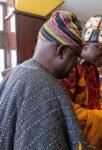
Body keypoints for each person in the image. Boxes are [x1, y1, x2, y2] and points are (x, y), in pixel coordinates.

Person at [0, 11, 86, 149]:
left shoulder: (17, 71)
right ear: (61, 51)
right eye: (75, 56)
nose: (76, 63)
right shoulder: (44, 87)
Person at [61, 15, 102, 148]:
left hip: (95, 136)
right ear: (85, 46)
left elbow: (94, 103)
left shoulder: (92, 68)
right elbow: (65, 111)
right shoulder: (71, 67)